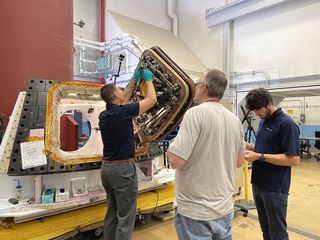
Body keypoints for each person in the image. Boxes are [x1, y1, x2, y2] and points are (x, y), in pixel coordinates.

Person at [167, 69, 245, 240]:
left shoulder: (195, 114)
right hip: (224, 208)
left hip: (195, 211)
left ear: (203, 88)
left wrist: (171, 146)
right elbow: (239, 161)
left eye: (196, 84)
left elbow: (175, 161)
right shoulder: (235, 120)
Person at [99, 67, 157, 240]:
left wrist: (134, 77)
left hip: (107, 170)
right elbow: (152, 99)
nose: (122, 91)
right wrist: (148, 80)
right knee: (126, 216)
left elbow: (127, 94)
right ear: (116, 96)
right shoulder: (122, 113)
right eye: (119, 90)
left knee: (112, 212)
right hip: (123, 171)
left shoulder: (105, 115)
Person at [245, 88, 300, 240]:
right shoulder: (264, 122)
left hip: (275, 188)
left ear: (269, 103)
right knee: (266, 228)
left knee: (278, 233)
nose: (257, 114)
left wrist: (259, 156)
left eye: (258, 109)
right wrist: (244, 145)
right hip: (258, 184)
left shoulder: (286, 124)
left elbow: (294, 159)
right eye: (254, 111)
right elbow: (264, 148)